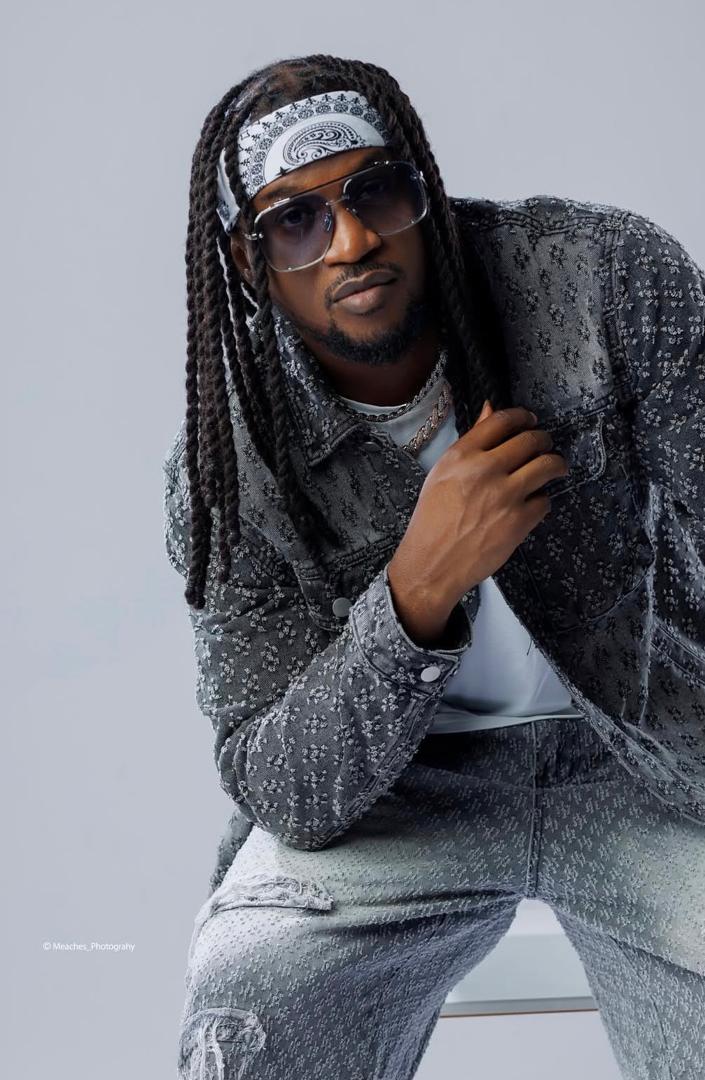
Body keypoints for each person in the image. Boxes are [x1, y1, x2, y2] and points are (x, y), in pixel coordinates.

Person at [163, 53, 705, 1080]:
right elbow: (280, 781)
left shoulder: (598, 279)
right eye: (296, 220)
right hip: (399, 795)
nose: (352, 240)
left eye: (375, 192)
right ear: (248, 259)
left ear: (427, 189)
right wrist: (417, 588)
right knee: (247, 1011)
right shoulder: (230, 464)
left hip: (649, 755)